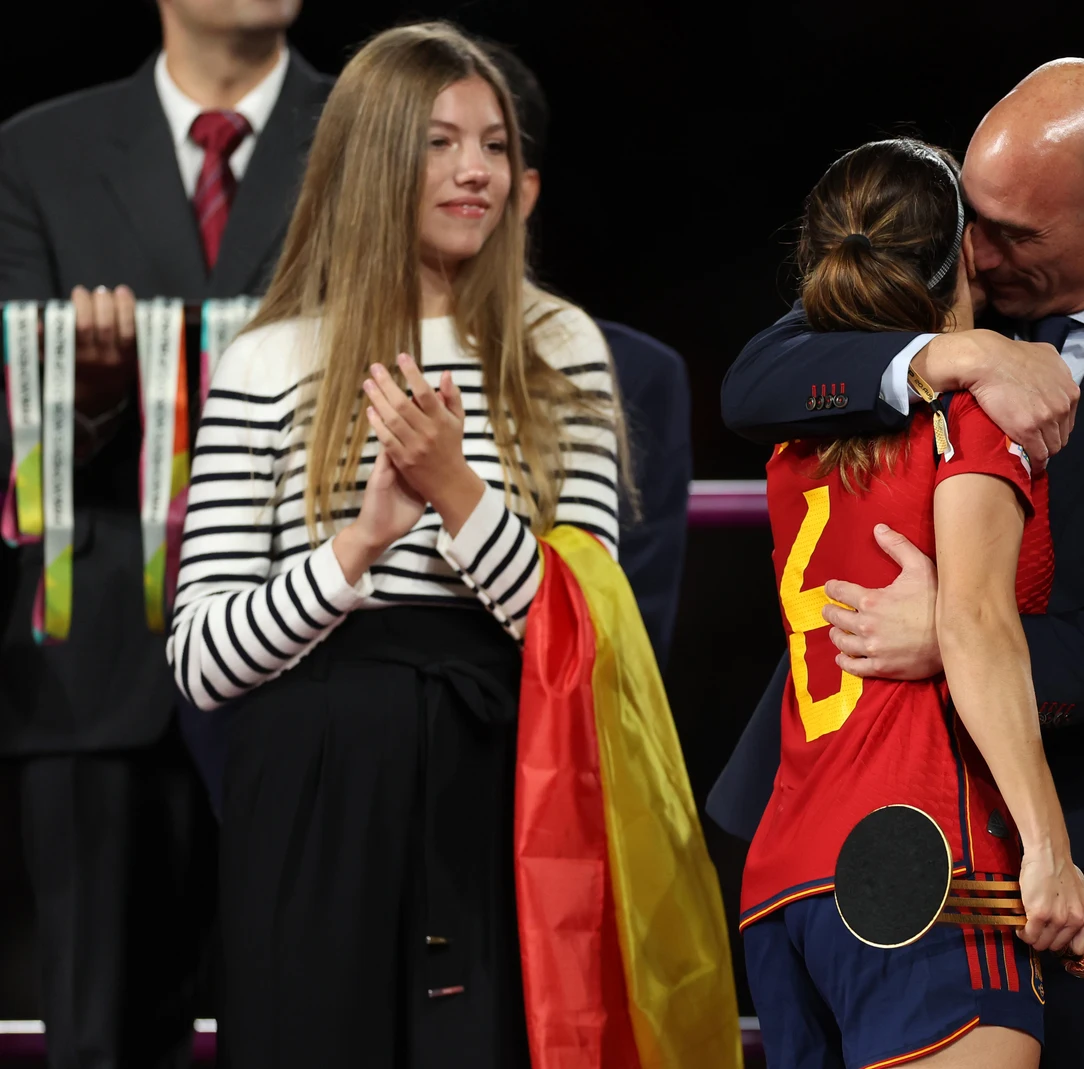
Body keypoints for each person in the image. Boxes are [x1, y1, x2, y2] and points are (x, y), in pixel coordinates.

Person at [711, 59, 1084, 1068]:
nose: (972, 249)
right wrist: (947, 357)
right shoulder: (950, 308)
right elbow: (754, 380)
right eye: (971, 216)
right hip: (869, 832)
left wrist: (950, 635)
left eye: (1011, 233)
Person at [163, 23, 620, 1067]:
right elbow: (200, 659)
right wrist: (359, 545)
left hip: (506, 768)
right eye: (441, 142)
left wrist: (458, 495)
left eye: (495, 144)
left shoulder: (560, 352)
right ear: (372, 160)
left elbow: (586, 640)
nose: (477, 171)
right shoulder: (269, 362)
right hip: (315, 774)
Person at [0, 1, 328, 1064]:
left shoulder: (375, 128)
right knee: (98, 1037)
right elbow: (10, 414)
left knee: (322, 1032)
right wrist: (87, 397)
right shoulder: (34, 150)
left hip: (322, 650)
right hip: (99, 667)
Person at [741, 136, 1084, 1069]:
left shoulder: (796, 437)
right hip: (925, 860)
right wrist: (1049, 849)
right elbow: (978, 626)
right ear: (970, 248)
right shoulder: (979, 412)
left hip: (787, 878)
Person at [481, 43, 692, 662]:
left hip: (547, 735)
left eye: (489, 145)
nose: (462, 170)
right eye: (433, 144)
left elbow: (629, 639)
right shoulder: (312, 359)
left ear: (522, 189)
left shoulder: (636, 376)